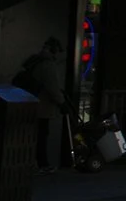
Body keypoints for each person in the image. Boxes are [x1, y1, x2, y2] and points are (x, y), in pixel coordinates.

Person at [18, 37, 71, 172]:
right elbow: (52, 87)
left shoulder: (35, 61)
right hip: (42, 106)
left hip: (31, 103)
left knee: (35, 135)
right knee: (41, 135)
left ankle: (33, 163)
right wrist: (62, 103)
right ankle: (42, 164)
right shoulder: (48, 65)